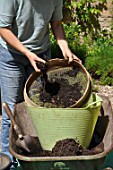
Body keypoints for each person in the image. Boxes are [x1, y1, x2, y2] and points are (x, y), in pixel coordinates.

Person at [0, 0, 81, 169]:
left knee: (38, 107)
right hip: (11, 55)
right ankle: (9, 162)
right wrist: (27, 53)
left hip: (41, 54)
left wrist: (65, 48)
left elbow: (56, 23)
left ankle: (36, 157)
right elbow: (3, 28)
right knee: (12, 110)